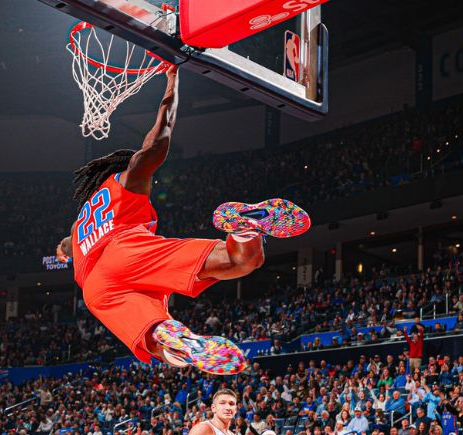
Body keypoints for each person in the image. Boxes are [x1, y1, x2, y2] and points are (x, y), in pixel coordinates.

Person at [55, 63, 309, 376]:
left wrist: (64, 250)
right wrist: (172, 82)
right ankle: (244, 229)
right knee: (240, 262)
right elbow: (157, 140)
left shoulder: (80, 222)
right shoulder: (126, 180)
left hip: (97, 288)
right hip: (128, 249)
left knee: (152, 337)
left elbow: (68, 244)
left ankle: (182, 343)